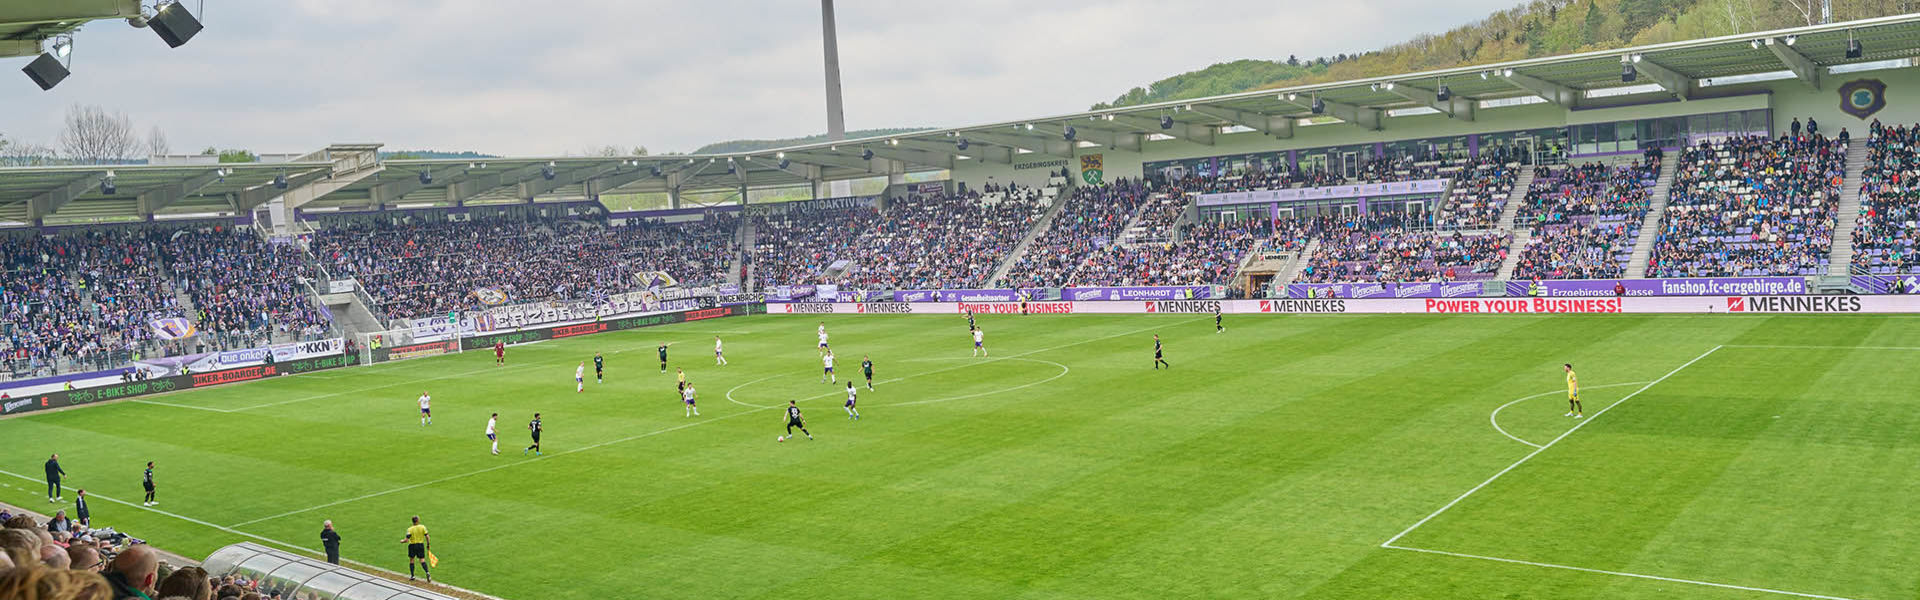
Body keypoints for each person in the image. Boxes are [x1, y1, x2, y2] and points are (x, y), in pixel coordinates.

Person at [400, 516, 430, 583]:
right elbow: (427, 536)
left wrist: (402, 541)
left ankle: (412, 576)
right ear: (418, 521)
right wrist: (428, 544)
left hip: (412, 545)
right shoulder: (422, 527)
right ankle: (427, 572)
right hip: (420, 545)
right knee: (422, 560)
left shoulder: (410, 529)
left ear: (412, 521)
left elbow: (407, 540)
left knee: (411, 560)